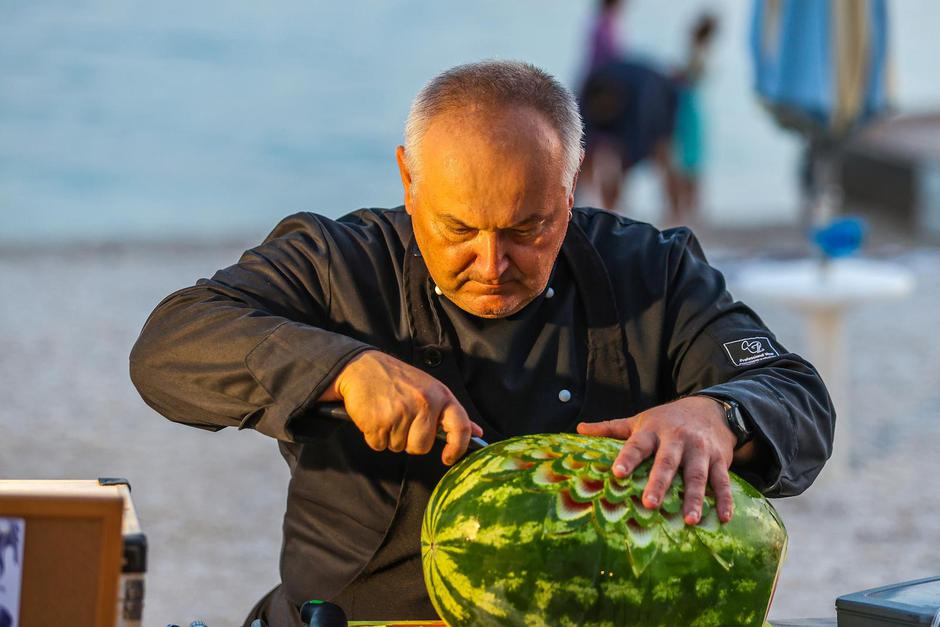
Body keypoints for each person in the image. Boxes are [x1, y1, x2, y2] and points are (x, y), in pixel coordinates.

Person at [129, 60, 834, 626]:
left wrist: (720, 415)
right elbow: (168, 345)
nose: (491, 263)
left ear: (572, 188)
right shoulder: (336, 262)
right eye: (458, 229)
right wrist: (339, 368)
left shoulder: (652, 270)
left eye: (528, 229)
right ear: (409, 179)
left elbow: (796, 397)